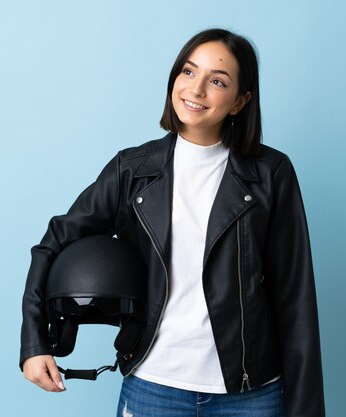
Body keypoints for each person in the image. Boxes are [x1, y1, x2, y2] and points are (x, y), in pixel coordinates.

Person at [20, 28, 325, 417]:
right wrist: (34, 344)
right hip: (154, 389)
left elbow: (295, 301)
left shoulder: (271, 174)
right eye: (187, 72)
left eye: (217, 81)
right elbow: (53, 244)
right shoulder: (132, 170)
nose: (196, 90)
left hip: (251, 396)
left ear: (240, 101)